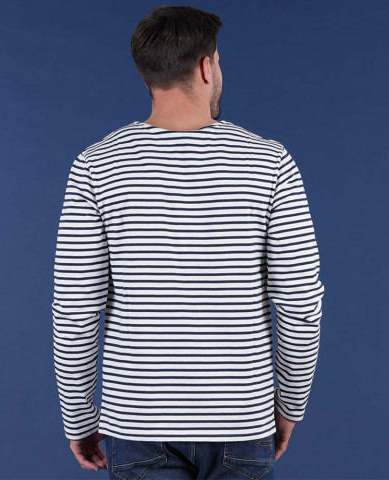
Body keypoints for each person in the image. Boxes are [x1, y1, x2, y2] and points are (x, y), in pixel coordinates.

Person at [51, 5, 325, 479]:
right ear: (205, 67)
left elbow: (75, 309)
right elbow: (300, 305)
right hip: (242, 421)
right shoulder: (270, 162)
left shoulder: (96, 165)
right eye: (218, 61)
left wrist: (78, 418)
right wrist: (289, 406)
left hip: (137, 424)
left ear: (148, 74)